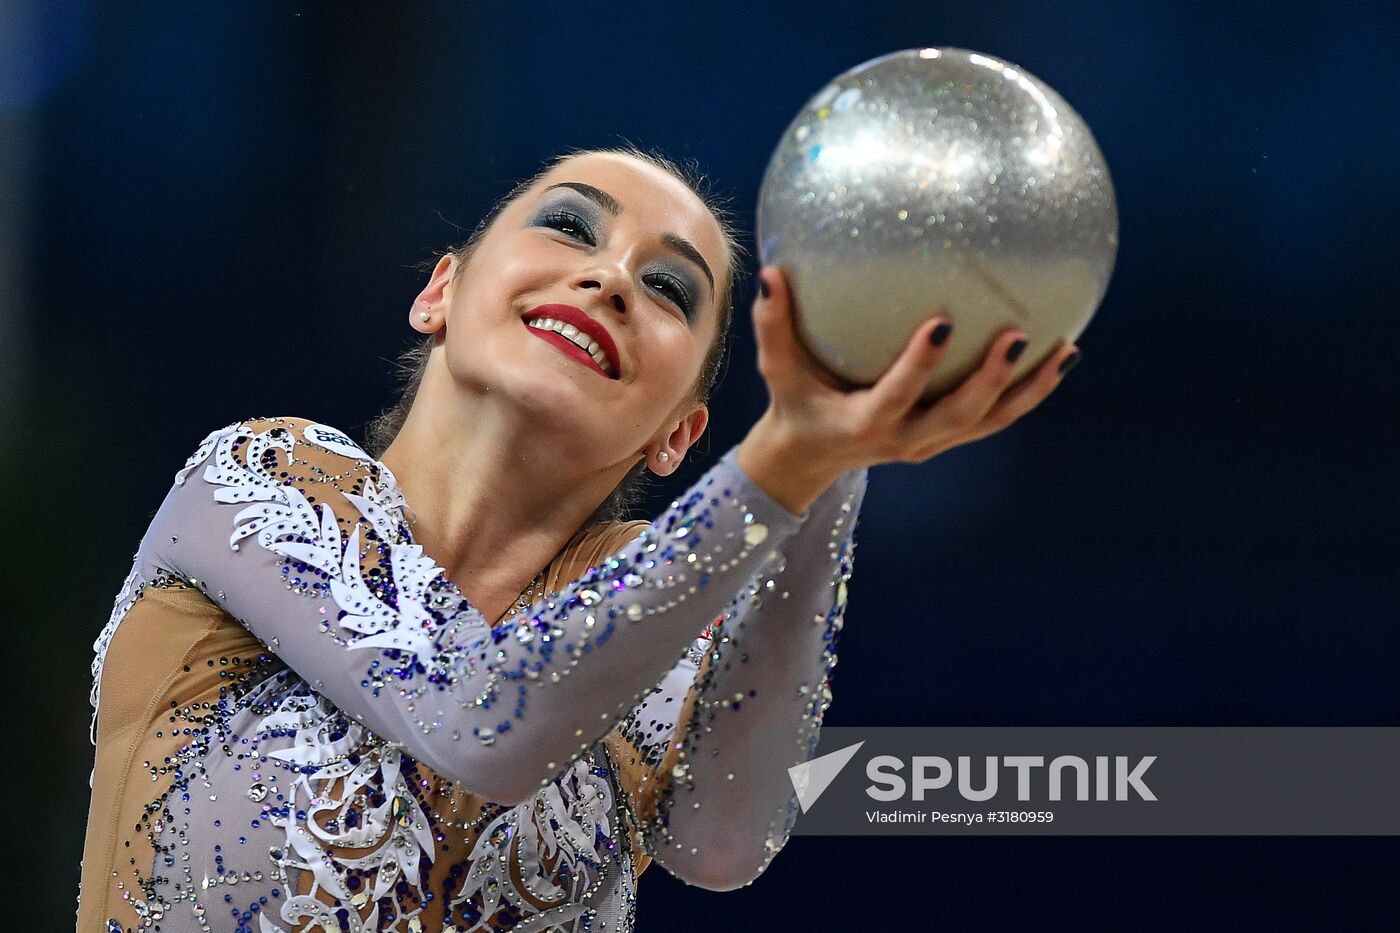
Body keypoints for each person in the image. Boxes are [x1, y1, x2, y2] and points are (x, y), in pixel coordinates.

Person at [78, 145, 1079, 932]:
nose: (609, 281)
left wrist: (831, 449)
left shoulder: (659, 626)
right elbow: (476, 724)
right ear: (440, 291)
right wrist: (777, 463)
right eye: (569, 228)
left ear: (676, 434)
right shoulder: (259, 479)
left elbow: (724, 842)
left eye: (670, 291)